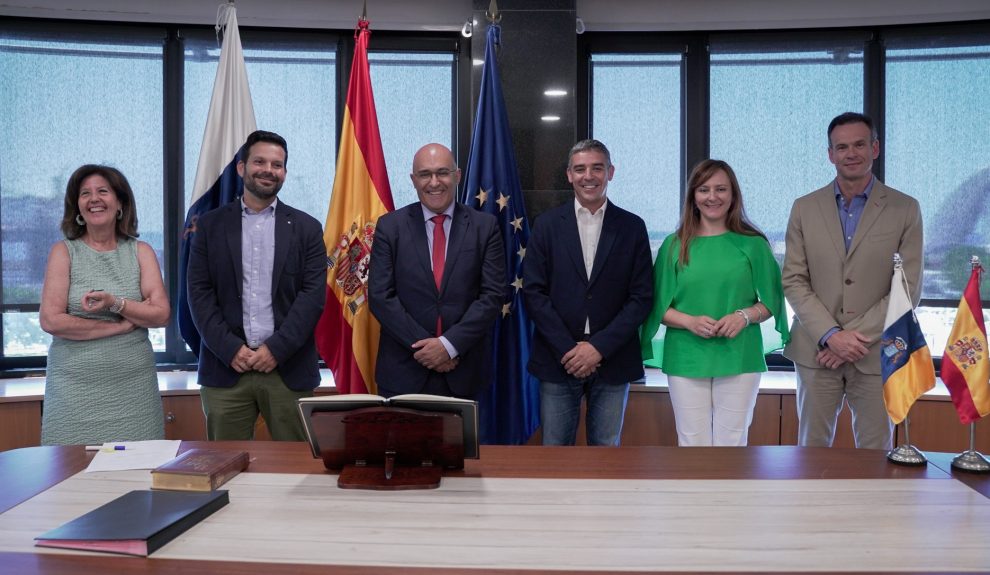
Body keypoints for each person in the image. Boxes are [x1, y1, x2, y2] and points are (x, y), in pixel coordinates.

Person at [783, 112, 924, 449]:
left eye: (860, 144)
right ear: (830, 154)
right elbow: (793, 279)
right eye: (841, 146)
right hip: (817, 353)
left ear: (875, 148)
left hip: (876, 352)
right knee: (812, 450)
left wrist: (851, 340)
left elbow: (907, 289)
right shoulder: (804, 208)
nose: (851, 153)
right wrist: (831, 336)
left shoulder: (905, 208)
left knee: (877, 452)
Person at [187, 130, 326, 441]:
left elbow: (311, 298)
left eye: (277, 165)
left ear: (285, 173)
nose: (268, 170)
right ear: (241, 168)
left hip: (287, 370)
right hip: (226, 369)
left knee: (294, 470)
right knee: (225, 469)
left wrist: (275, 350)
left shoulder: (307, 228)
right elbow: (199, 293)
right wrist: (229, 348)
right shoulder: (209, 225)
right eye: (259, 161)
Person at [640, 160, 789, 446]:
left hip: (739, 354)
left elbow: (772, 301)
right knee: (691, 441)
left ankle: (728, 494)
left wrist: (744, 316)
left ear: (733, 195)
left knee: (732, 441)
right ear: (693, 197)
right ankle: (698, 494)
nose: (712, 197)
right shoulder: (673, 244)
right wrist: (689, 322)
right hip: (685, 355)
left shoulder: (753, 243)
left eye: (721, 189)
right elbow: (657, 306)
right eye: (704, 189)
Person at [522, 139, 653, 446]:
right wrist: (569, 349)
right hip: (558, 359)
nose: (588, 176)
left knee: (606, 453)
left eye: (597, 167)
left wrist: (597, 348)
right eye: (580, 169)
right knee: (555, 452)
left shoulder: (632, 227)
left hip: (613, 359)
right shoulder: (547, 225)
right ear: (569, 174)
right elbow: (534, 293)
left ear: (611, 172)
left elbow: (641, 297)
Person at [39, 165, 171, 445]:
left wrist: (116, 303)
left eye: (103, 191)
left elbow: (160, 314)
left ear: (120, 203)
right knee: (70, 479)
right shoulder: (63, 252)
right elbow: (51, 321)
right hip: (72, 394)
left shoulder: (141, 251)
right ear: (77, 207)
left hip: (134, 392)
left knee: (137, 478)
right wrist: (119, 327)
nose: (94, 198)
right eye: (85, 193)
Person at [368, 143, 504, 399]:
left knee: (461, 442)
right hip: (403, 372)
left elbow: (492, 296)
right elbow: (380, 296)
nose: (434, 182)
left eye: (442, 172)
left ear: (457, 175)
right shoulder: (390, 227)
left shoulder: (484, 227)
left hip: (465, 372)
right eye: (425, 174)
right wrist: (429, 349)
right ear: (413, 179)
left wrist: (449, 346)